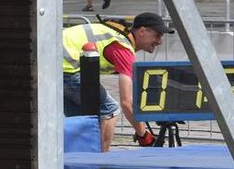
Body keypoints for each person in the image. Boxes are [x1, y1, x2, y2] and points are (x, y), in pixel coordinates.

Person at [62, 11, 173, 151]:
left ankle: (78, 158)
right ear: (142, 31)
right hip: (66, 67)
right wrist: (143, 134)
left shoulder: (117, 37)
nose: (159, 41)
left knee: (81, 120)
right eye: (157, 35)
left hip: (52, 64)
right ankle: (99, 162)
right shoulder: (122, 48)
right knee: (109, 109)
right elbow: (126, 102)